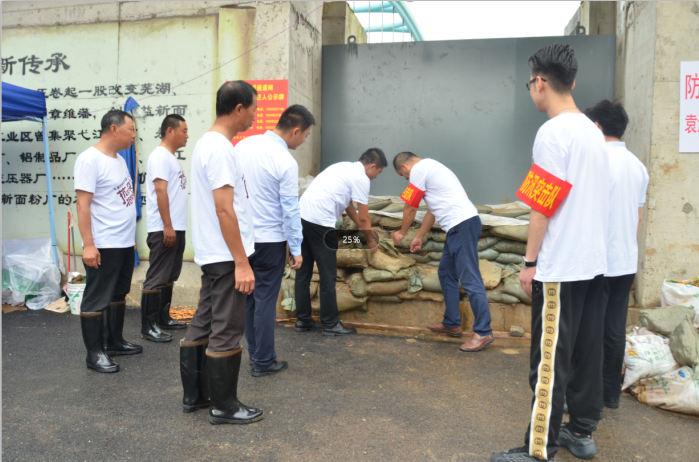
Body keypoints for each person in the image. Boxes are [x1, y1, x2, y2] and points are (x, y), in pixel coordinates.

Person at [492, 44, 610, 462]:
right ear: (571, 81)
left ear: (540, 83)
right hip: (593, 263)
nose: (531, 91)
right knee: (585, 353)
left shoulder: (553, 132)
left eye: (530, 84)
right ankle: (581, 431)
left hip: (561, 265)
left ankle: (538, 449)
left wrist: (530, 262)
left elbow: (542, 206)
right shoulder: (593, 131)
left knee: (548, 361)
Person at [179, 81, 262, 425]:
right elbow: (225, 209)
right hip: (227, 256)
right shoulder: (221, 148)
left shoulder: (207, 143)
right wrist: (242, 262)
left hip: (215, 252)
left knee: (204, 321)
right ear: (238, 108)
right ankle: (224, 406)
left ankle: (196, 396)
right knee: (228, 325)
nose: (255, 115)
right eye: (253, 109)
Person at [235, 105, 315, 377]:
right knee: (265, 301)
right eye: (306, 135)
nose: (304, 141)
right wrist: (296, 248)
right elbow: (290, 209)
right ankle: (264, 360)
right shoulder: (285, 161)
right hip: (270, 241)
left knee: (249, 299)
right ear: (295, 131)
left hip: (242, 239)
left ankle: (255, 354)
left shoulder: (243, 146)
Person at [392, 152, 494, 352]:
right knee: (446, 272)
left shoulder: (419, 169)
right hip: (457, 227)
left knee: (470, 279)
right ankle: (452, 322)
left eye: (404, 176)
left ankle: (484, 331)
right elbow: (432, 211)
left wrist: (402, 232)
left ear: (405, 167)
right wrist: (419, 236)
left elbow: (410, 207)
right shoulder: (432, 169)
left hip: (461, 225)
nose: (407, 178)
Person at [585, 100, 648, 410]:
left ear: (596, 127)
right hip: (625, 260)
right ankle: (610, 394)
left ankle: (587, 397)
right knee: (614, 329)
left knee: (589, 330)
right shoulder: (638, 166)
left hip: (598, 261)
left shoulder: (595, 162)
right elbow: (637, 217)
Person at [74, 110, 141, 373]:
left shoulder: (119, 160)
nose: (134, 135)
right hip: (103, 243)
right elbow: (83, 205)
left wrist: (131, 238)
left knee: (118, 293)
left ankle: (114, 342)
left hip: (123, 242)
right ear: (114, 129)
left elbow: (121, 201)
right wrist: (89, 245)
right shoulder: (89, 160)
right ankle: (94, 354)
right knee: (96, 297)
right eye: (131, 129)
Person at [296, 149, 385, 336]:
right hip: (321, 223)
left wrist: (357, 225)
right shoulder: (361, 179)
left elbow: (347, 204)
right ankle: (330, 324)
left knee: (303, 272)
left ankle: (303, 320)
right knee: (328, 275)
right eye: (379, 172)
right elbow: (365, 216)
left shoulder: (342, 167)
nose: (377, 176)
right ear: (372, 166)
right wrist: (370, 240)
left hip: (302, 217)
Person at [141, 114, 190, 343]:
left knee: (170, 275)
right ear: (170, 131)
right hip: (164, 228)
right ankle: (148, 326)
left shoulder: (171, 158)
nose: (187, 135)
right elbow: (160, 191)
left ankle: (163, 318)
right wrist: (167, 226)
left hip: (176, 227)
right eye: (184, 131)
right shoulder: (160, 156)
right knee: (157, 276)